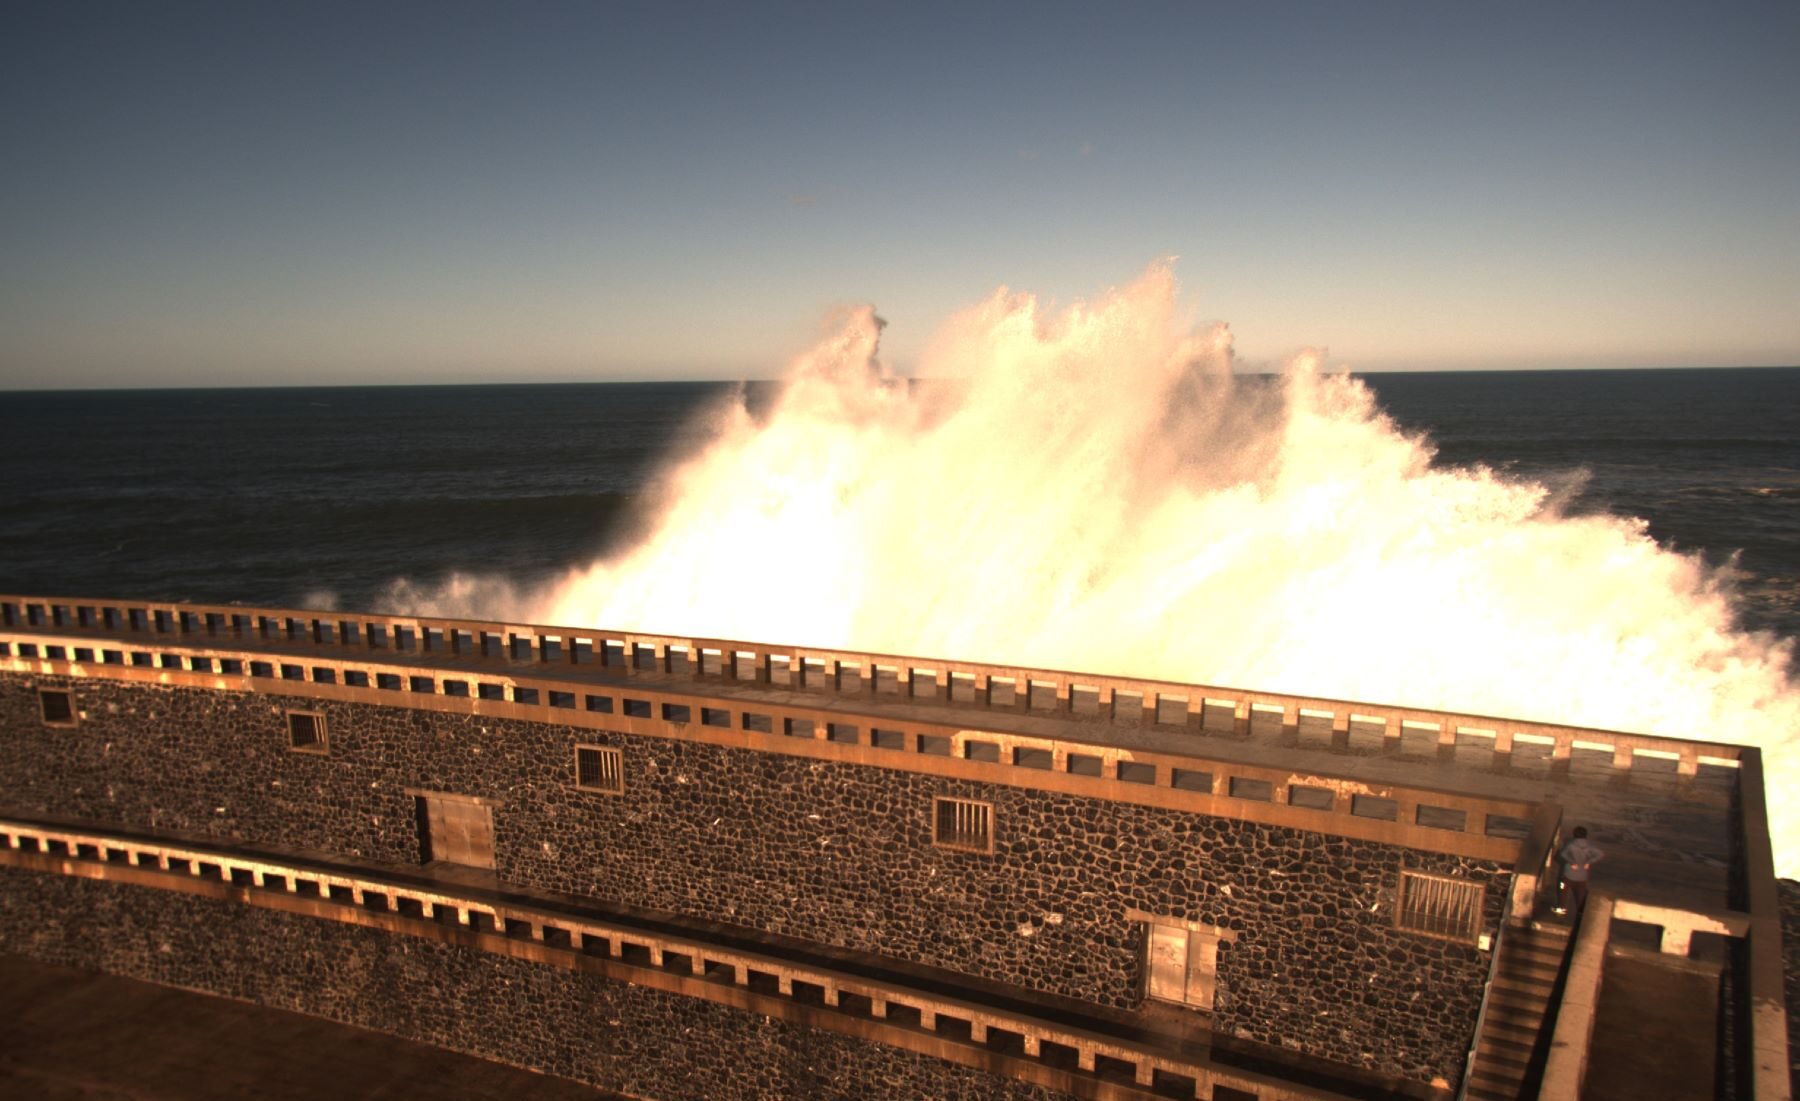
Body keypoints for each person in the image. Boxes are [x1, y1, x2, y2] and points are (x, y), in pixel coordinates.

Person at [1558, 826, 1605, 916]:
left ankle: (1561, 910)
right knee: (1581, 895)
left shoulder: (1571, 845)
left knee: (1564, 892)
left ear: (1574, 834)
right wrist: (1589, 862)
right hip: (1582, 875)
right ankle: (1580, 914)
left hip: (1569, 874)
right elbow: (1600, 854)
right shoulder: (1589, 846)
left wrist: (1572, 862)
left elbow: (1563, 854)